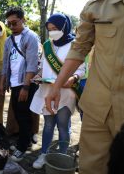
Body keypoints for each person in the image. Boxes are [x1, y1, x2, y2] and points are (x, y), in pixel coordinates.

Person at [45, 0, 124, 174]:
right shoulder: (99, 7)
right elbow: (79, 49)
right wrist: (56, 87)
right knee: (90, 168)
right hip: (98, 109)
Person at [30, 13, 85, 169]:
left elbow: (81, 69)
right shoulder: (48, 45)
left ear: (64, 27)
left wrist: (73, 78)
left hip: (66, 92)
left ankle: (62, 156)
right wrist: (39, 75)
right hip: (47, 91)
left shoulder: (75, 45)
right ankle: (44, 153)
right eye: (49, 29)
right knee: (48, 125)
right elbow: (43, 67)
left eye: (55, 28)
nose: (52, 32)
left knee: (62, 125)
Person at [0, 7, 39, 162]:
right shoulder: (9, 40)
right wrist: (3, 82)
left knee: (23, 116)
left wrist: (26, 87)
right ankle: (24, 141)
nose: (12, 27)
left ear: (23, 20)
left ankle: (22, 147)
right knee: (19, 114)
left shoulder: (31, 37)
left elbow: (32, 65)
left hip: (26, 83)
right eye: (9, 24)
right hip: (14, 83)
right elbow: (5, 63)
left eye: (14, 23)